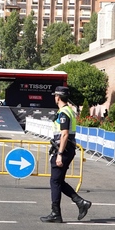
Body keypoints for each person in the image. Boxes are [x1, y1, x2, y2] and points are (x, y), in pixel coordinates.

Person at [40, 86, 91, 223]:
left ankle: (56, 213)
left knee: (55, 181)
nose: (54, 98)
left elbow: (64, 134)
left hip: (64, 149)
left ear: (58, 97)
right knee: (58, 181)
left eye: (55, 96)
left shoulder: (64, 113)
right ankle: (80, 203)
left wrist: (60, 154)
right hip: (67, 149)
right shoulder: (68, 111)